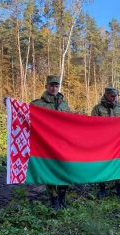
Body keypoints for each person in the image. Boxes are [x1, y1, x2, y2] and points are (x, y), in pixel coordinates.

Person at [29, 75, 71, 211]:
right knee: (50, 171)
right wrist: (10, 105)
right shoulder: (37, 104)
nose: (54, 88)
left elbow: (71, 123)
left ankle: (62, 198)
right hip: (46, 144)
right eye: (51, 85)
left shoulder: (65, 105)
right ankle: (53, 200)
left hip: (63, 143)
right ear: (46, 86)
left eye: (56, 86)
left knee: (65, 169)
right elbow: (23, 115)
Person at [91, 87, 120, 199]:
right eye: (112, 96)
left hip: (118, 144)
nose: (114, 98)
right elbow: (92, 126)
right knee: (102, 165)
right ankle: (102, 189)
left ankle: (119, 187)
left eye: (116, 96)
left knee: (119, 165)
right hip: (103, 144)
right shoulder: (97, 109)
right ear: (106, 95)